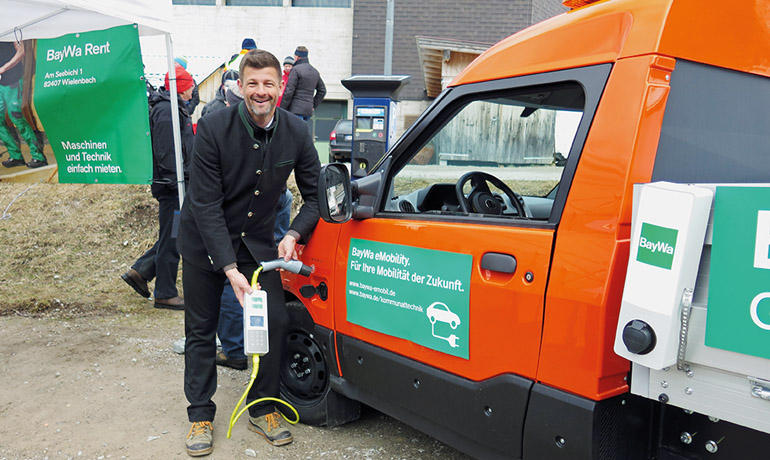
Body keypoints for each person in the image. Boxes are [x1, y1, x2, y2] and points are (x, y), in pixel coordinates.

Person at [177, 49, 320, 456]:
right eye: (252, 83)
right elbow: (204, 204)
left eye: (268, 83)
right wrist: (227, 267)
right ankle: (201, 414)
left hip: (257, 246)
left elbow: (313, 198)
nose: (260, 91)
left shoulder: (296, 131)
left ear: (281, 86)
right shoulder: (213, 126)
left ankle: (262, 406)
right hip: (206, 244)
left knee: (273, 322)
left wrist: (293, 232)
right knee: (201, 330)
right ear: (241, 87)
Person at [121, 63, 195, 310]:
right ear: (183, 87)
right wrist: (178, 181)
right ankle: (165, 293)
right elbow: (165, 151)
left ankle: (140, 272)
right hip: (173, 187)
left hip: (178, 185)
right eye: (190, 85)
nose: (193, 89)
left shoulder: (174, 108)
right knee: (174, 237)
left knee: (172, 235)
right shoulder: (166, 111)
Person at [0, 40, 47, 169]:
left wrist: (4, 68)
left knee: (16, 117)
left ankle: (38, 157)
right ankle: (15, 156)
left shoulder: (9, 26)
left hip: (12, 80)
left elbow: (21, 51)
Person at [279, 46, 326, 123]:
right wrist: (313, 105)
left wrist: (281, 109)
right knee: (302, 133)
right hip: (307, 110)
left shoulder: (296, 70)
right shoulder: (314, 72)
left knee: (294, 134)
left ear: (297, 57)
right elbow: (322, 90)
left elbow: (289, 91)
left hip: (295, 110)